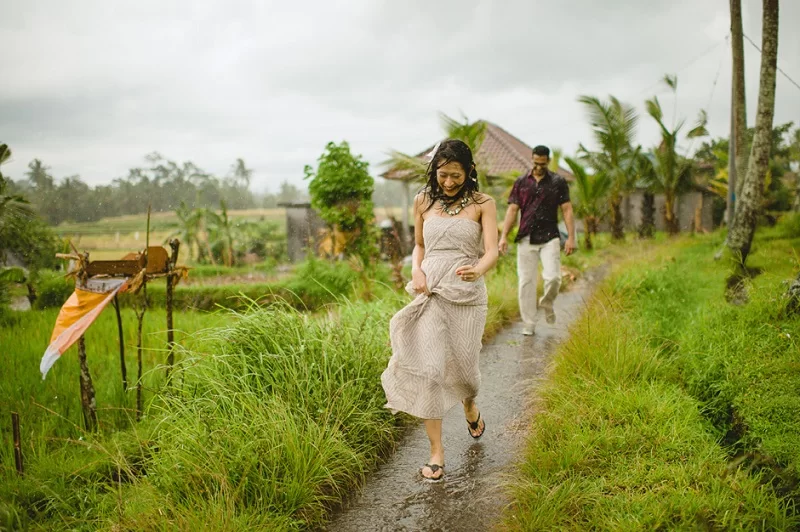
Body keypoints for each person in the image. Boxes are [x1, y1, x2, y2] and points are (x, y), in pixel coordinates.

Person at [381, 139, 499, 482]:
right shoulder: (422, 200)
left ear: (469, 172)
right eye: (442, 174)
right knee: (431, 370)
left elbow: (491, 250)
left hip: (467, 294)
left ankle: (469, 404)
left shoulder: (483, 203)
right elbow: (418, 245)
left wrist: (479, 268)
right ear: (434, 172)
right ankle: (436, 452)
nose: (448, 182)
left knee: (465, 371)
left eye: (456, 176)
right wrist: (416, 271)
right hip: (430, 290)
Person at [498, 145, 575, 336]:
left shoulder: (558, 182)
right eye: (535, 163)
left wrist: (571, 238)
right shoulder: (521, 182)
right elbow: (512, 210)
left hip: (550, 237)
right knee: (526, 282)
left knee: (554, 278)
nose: (539, 167)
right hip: (526, 237)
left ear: (548, 161)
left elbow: (566, 209)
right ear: (531, 160)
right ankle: (529, 323)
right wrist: (503, 237)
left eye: (542, 163)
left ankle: (547, 302)